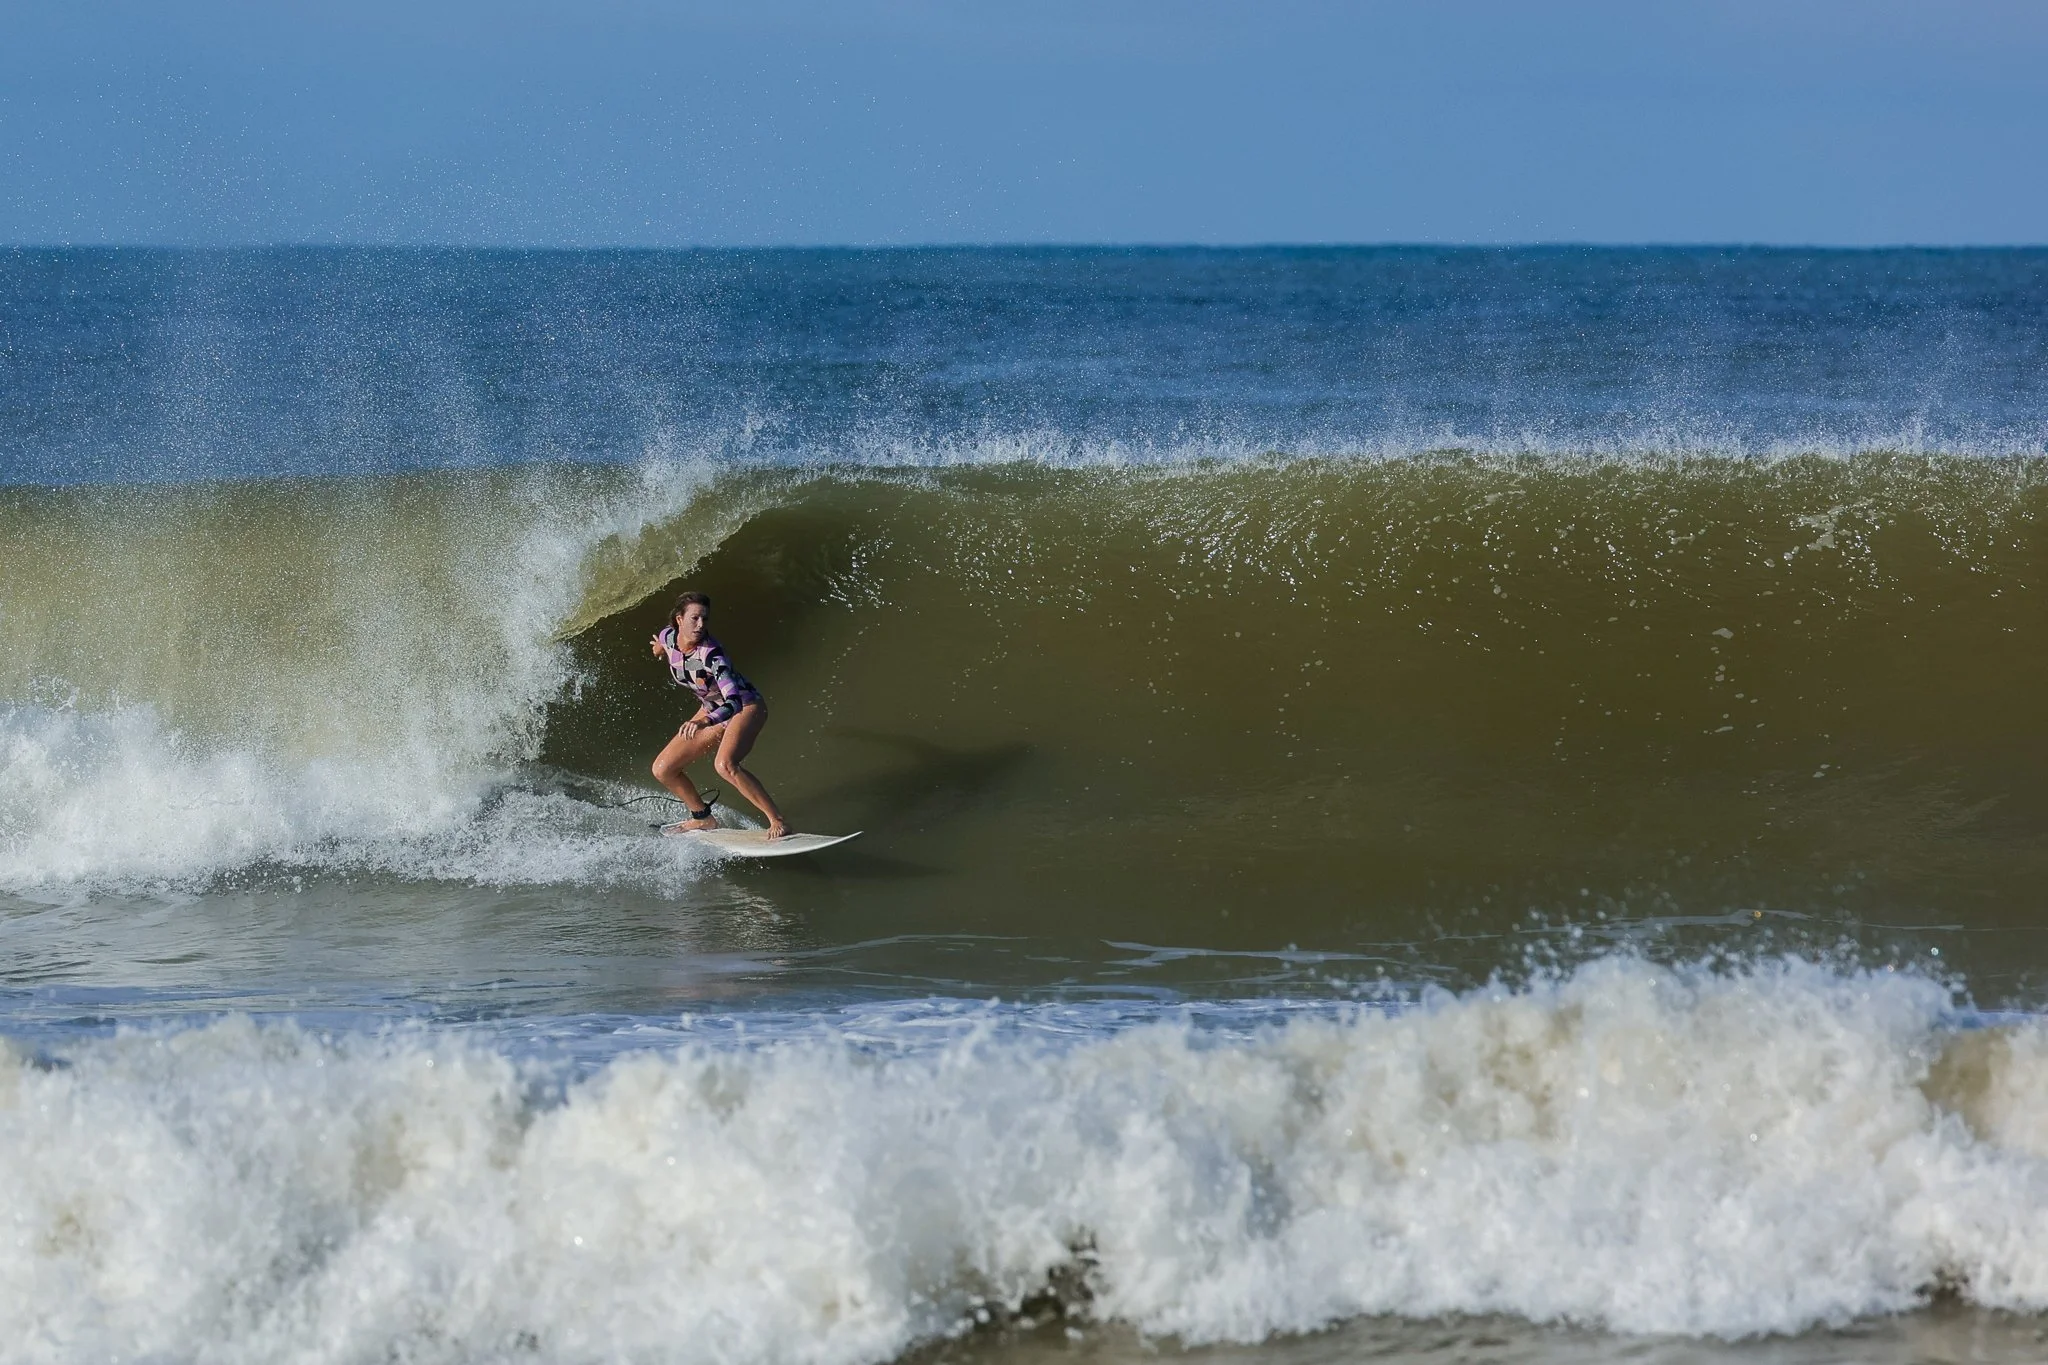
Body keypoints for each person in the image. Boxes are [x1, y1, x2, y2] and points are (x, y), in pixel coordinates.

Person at [648, 592, 791, 839]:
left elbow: (733, 701)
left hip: (745, 707)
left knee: (725, 765)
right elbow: (663, 638)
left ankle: (777, 820)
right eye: (695, 618)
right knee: (663, 769)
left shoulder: (713, 656)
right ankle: (702, 819)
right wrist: (659, 649)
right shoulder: (670, 636)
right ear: (679, 620)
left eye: (705, 619)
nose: (701, 625)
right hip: (711, 709)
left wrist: (704, 721)